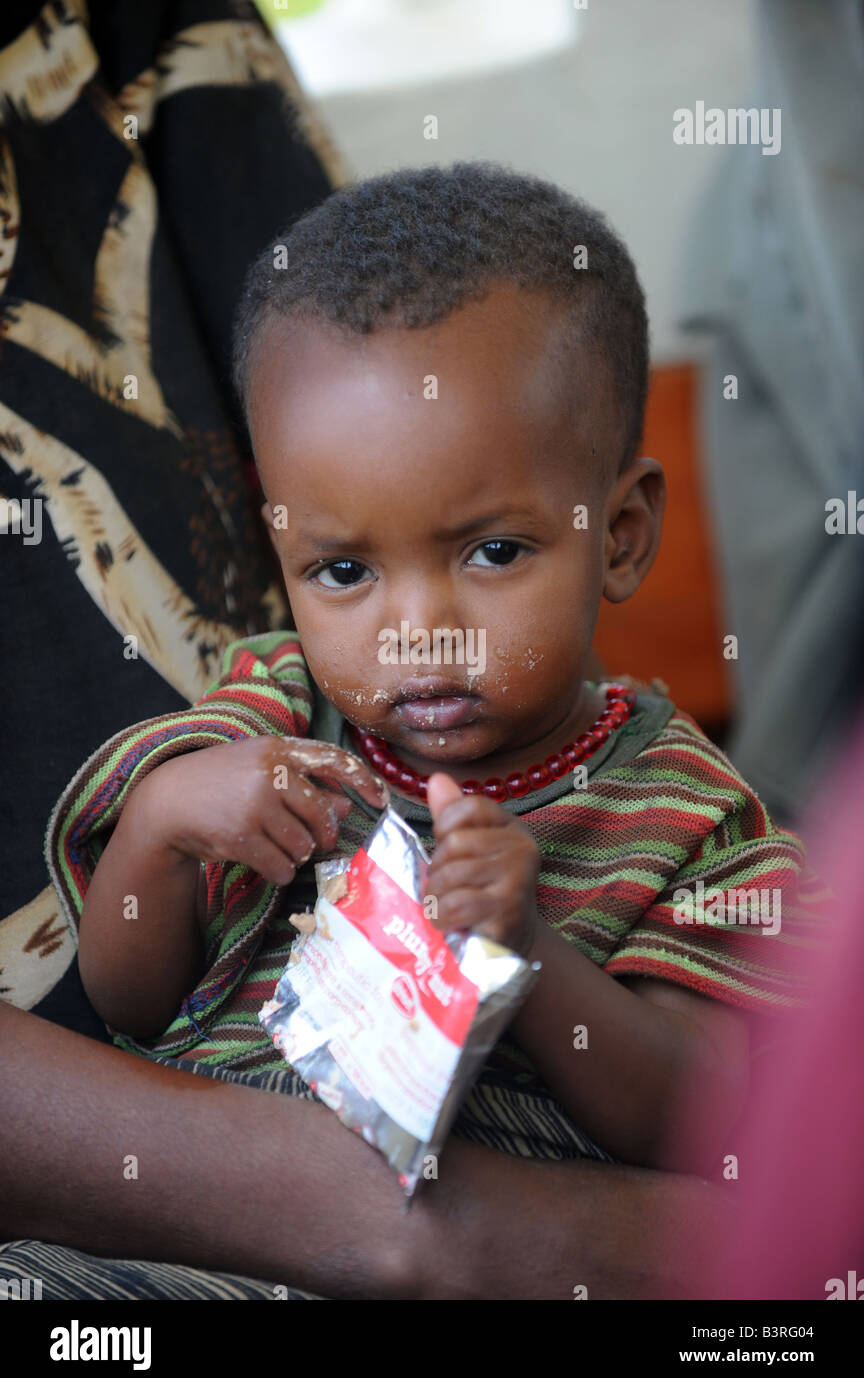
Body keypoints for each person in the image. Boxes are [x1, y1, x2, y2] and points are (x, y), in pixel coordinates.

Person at [58, 164, 829, 1192]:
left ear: (622, 535)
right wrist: (157, 825)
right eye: (343, 572)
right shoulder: (271, 718)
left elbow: (698, 1124)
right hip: (204, 1233)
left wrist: (530, 952)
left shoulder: (687, 815)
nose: (418, 633)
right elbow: (128, 1001)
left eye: (493, 552)